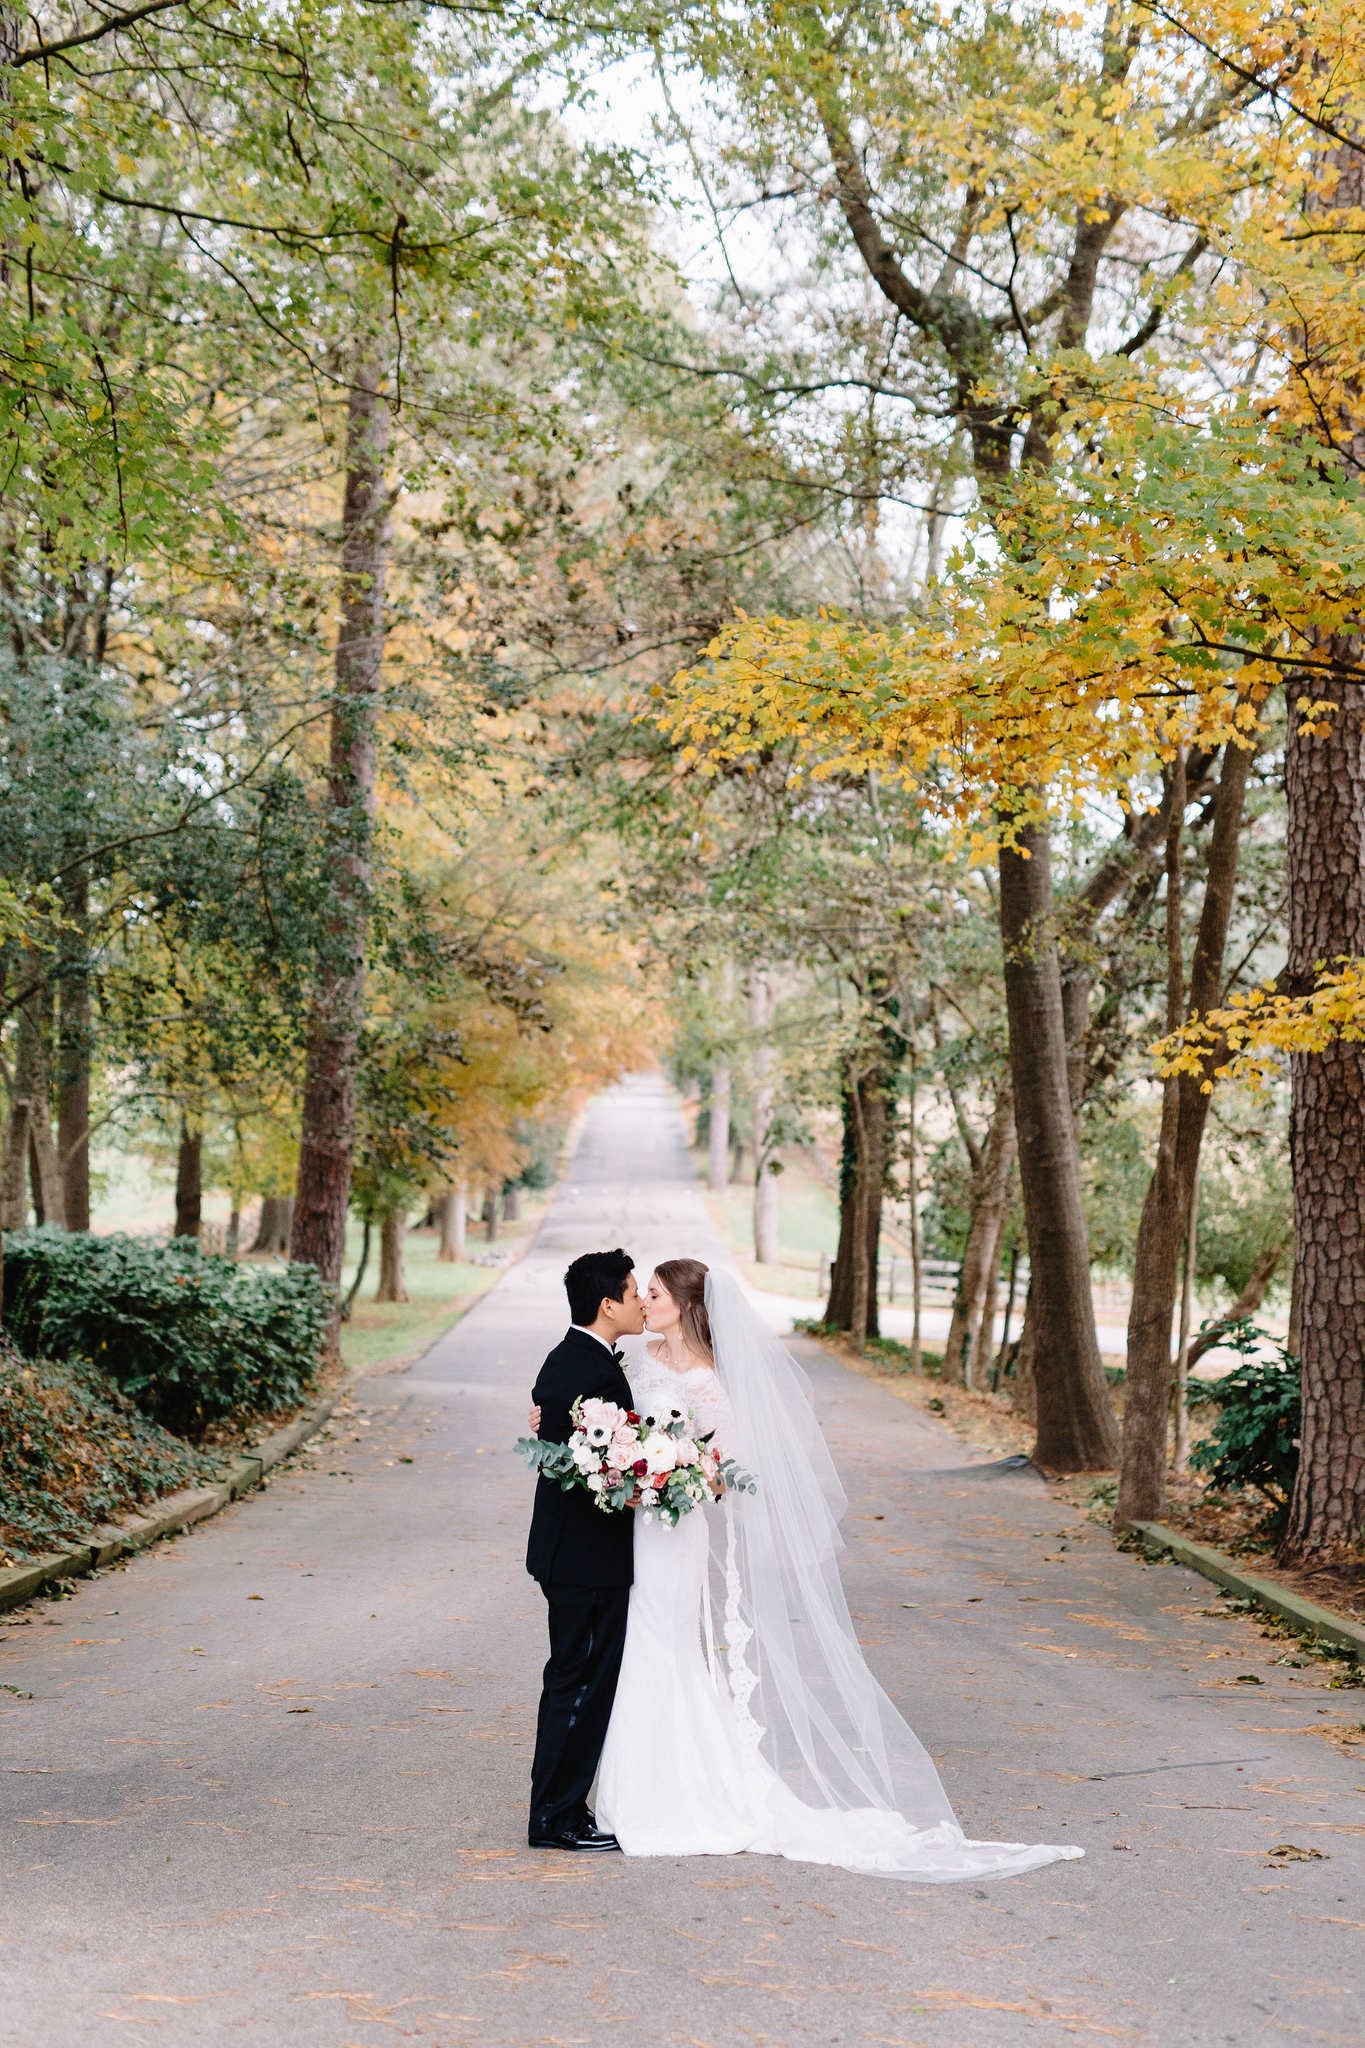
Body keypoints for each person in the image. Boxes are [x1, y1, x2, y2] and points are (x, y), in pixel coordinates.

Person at [590, 1258, 1085, 1883]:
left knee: (662, 1642)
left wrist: (675, 1476)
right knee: (637, 1640)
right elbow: (608, 1423)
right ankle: (640, 1780)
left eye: (655, 1294)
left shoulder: (710, 1379)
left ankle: (667, 1790)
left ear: (687, 1306)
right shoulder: (636, 1360)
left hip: (674, 1527)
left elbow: (727, 1466)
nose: (646, 1302)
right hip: (634, 1525)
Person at [525, 1246, 644, 1851]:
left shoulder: (568, 1357)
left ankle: (557, 1808)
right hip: (587, 1558)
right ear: (607, 1304)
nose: (642, 1301)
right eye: (633, 1291)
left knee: (571, 1678)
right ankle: (557, 1817)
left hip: (570, 1554)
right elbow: (594, 1470)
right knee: (579, 1684)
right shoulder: (591, 1371)